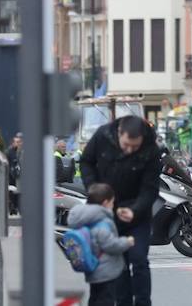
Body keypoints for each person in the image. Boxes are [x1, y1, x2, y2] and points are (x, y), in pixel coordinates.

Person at [79, 115, 160, 306]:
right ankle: (123, 302)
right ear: (119, 133)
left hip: (137, 213)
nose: (130, 150)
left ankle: (143, 302)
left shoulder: (151, 150)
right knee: (119, 264)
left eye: (135, 146)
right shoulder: (102, 136)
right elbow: (86, 162)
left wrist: (135, 210)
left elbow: (150, 189)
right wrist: (94, 190)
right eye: (126, 145)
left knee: (139, 259)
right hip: (107, 210)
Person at [68, 182, 135, 306]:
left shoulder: (85, 218)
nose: (113, 205)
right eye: (112, 202)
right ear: (105, 203)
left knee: (95, 298)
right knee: (106, 300)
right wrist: (127, 242)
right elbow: (111, 245)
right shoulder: (102, 222)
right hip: (106, 271)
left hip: (92, 269)